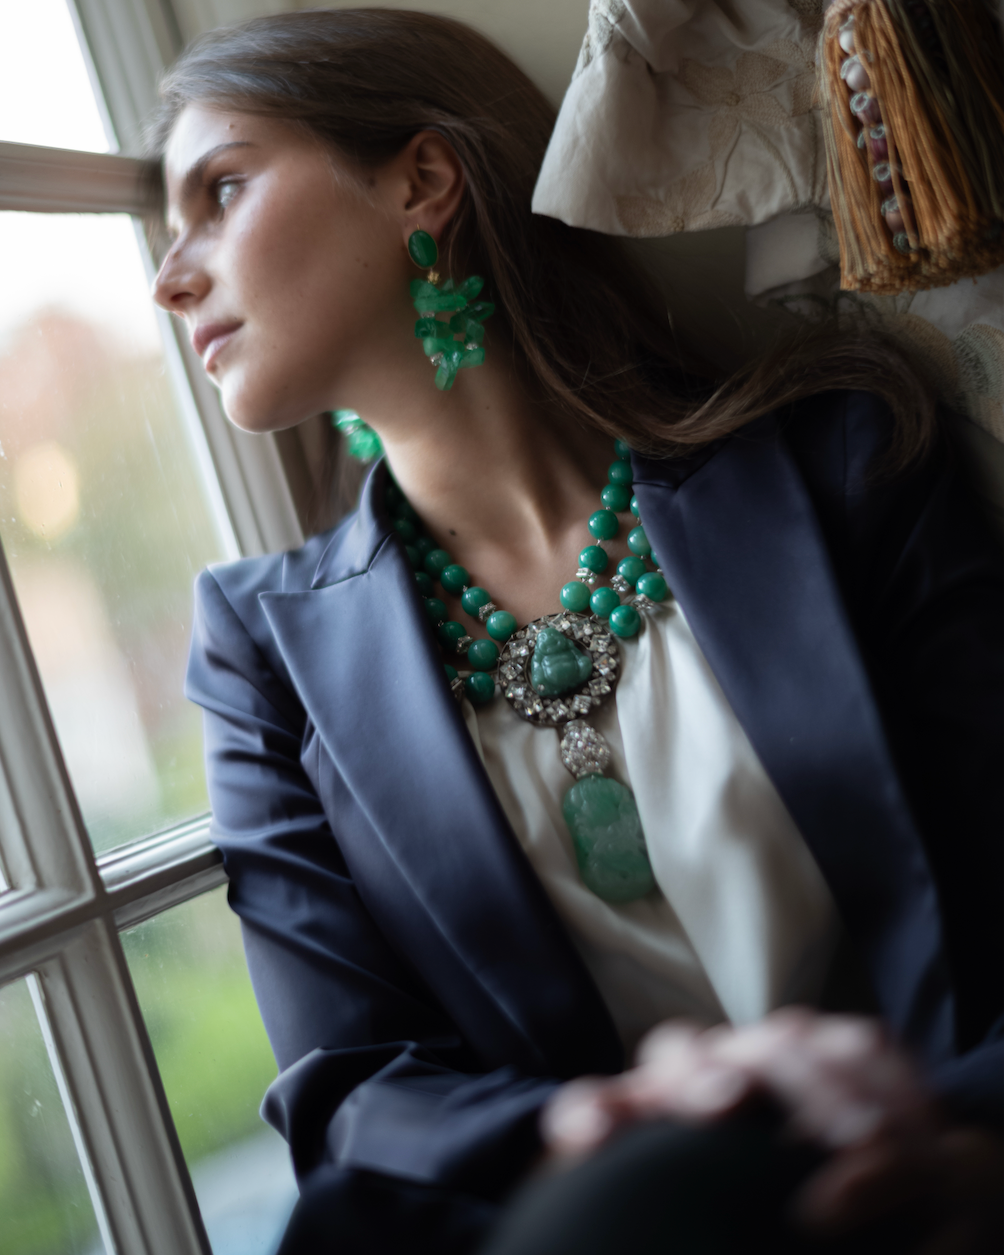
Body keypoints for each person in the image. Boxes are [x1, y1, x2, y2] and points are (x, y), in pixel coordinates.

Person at [150, 9, 1002, 1254]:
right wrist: (602, 1122)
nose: (169, 276)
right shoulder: (260, 653)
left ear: (420, 180)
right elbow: (351, 1090)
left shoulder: (843, 461)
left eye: (220, 190)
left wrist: (959, 1144)